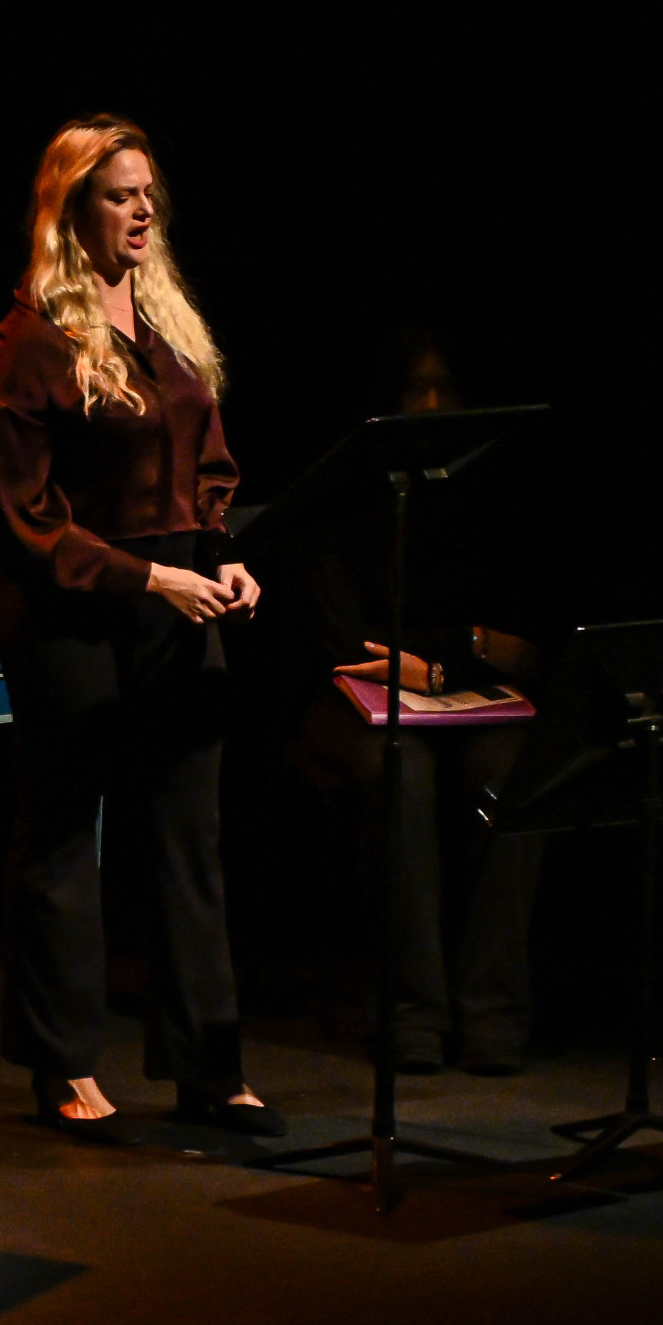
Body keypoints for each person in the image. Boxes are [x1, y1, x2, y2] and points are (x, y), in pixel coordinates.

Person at [0, 116, 284, 1144]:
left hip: (178, 594)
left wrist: (220, 550)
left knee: (187, 836)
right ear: (73, 211)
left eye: (147, 192)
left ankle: (208, 1066)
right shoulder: (29, 343)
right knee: (65, 831)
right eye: (119, 195)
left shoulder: (165, 317)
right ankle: (62, 1062)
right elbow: (28, 523)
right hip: (74, 610)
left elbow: (207, 458)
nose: (142, 210)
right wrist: (149, 576)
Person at [283, 334, 546, 1074]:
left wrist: (438, 661)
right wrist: (462, 651)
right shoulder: (355, 494)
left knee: (509, 771)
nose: (431, 405)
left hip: (464, 698)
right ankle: (411, 1014)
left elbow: (524, 643)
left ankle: (492, 1013)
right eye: (414, 388)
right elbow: (346, 641)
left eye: (445, 387)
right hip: (353, 698)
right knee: (403, 768)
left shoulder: (494, 498)